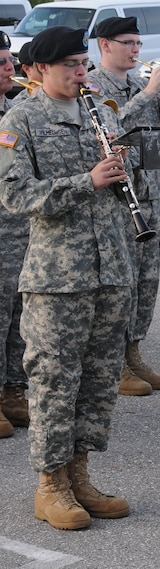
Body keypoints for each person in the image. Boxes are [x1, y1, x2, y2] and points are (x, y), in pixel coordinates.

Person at [0, 26, 135, 530]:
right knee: (55, 383)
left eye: (83, 64)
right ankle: (50, 485)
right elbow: (14, 196)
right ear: (37, 71)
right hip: (57, 279)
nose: (81, 74)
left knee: (98, 382)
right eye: (70, 67)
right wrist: (88, 181)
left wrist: (125, 167)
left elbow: (127, 182)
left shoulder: (100, 111)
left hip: (111, 270)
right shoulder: (21, 121)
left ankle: (80, 475)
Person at [87, 16, 160, 397]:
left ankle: (134, 351)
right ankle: (115, 362)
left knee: (146, 280)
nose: (135, 50)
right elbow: (110, 127)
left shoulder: (137, 83)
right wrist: (148, 92)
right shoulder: (94, 85)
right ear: (105, 45)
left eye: (137, 43)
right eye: (127, 43)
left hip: (149, 192)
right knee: (122, 283)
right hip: (117, 197)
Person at [0, 31, 30, 438]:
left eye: (9, 61)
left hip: (18, 229)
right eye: (0, 64)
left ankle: (12, 390)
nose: (9, 68)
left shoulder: (14, 110)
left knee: (17, 314)